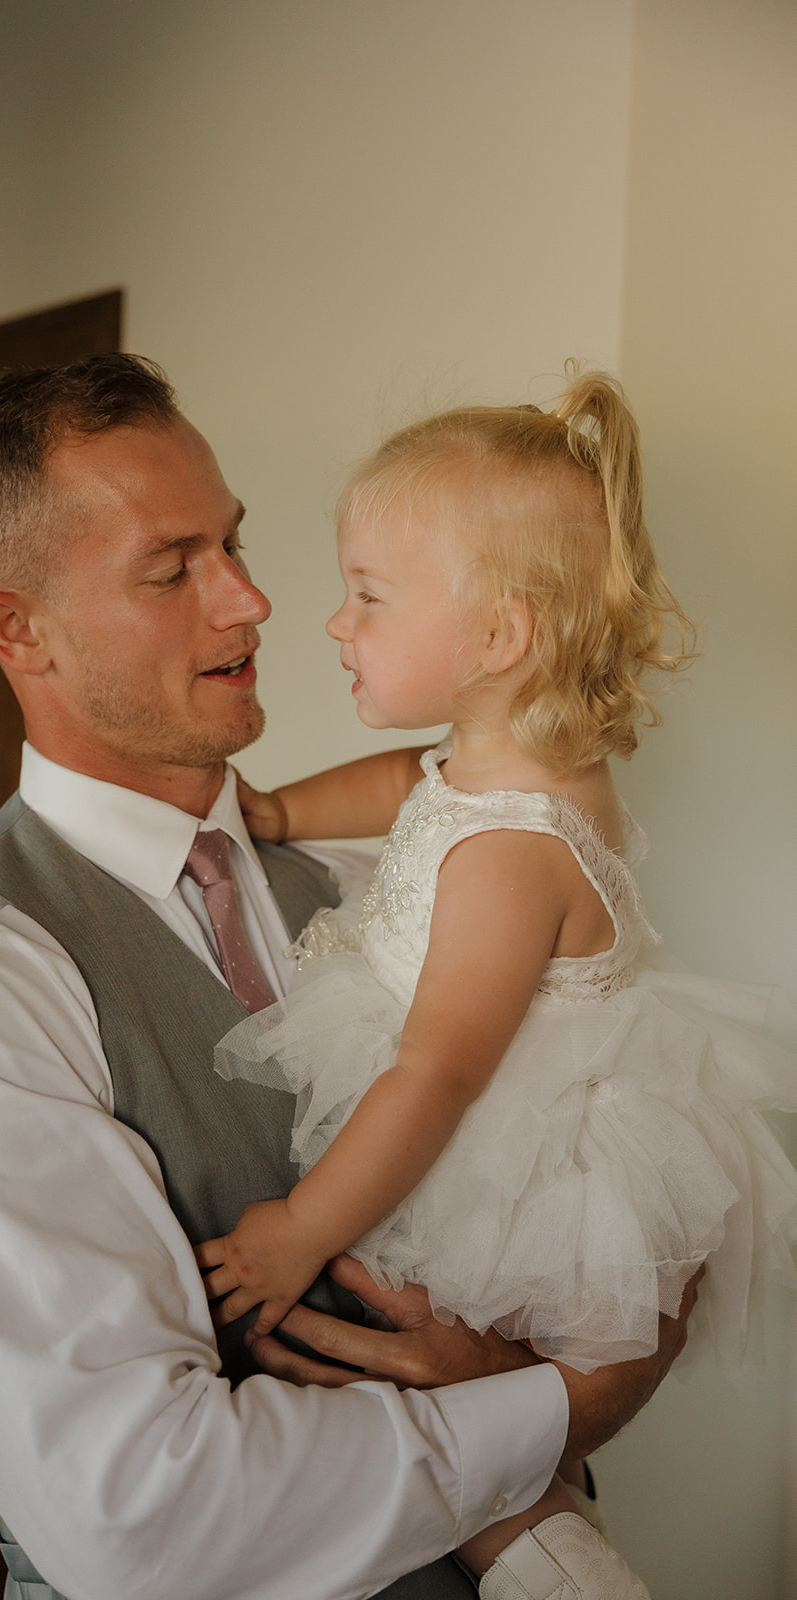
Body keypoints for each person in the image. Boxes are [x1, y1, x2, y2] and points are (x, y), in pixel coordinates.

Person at [0, 356, 696, 1600]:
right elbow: (145, 1521)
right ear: (19, 629)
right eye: (171, 569)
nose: (251, 599)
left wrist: (531, 1370)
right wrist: (558, 1405)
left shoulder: (396, 874)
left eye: (230, 542)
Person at [196, 369, 797, 1589]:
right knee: (449, 1415)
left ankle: (553, 1563)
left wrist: (301, 1228)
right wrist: (283, 810)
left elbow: (438, 1070)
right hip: (511, 1103)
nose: (335, 623)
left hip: (517, 1148)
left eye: (368, 595)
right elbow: (405, 784)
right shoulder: (499, 755)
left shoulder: (510, 853)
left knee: (449, 1414)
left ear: (497, 637)